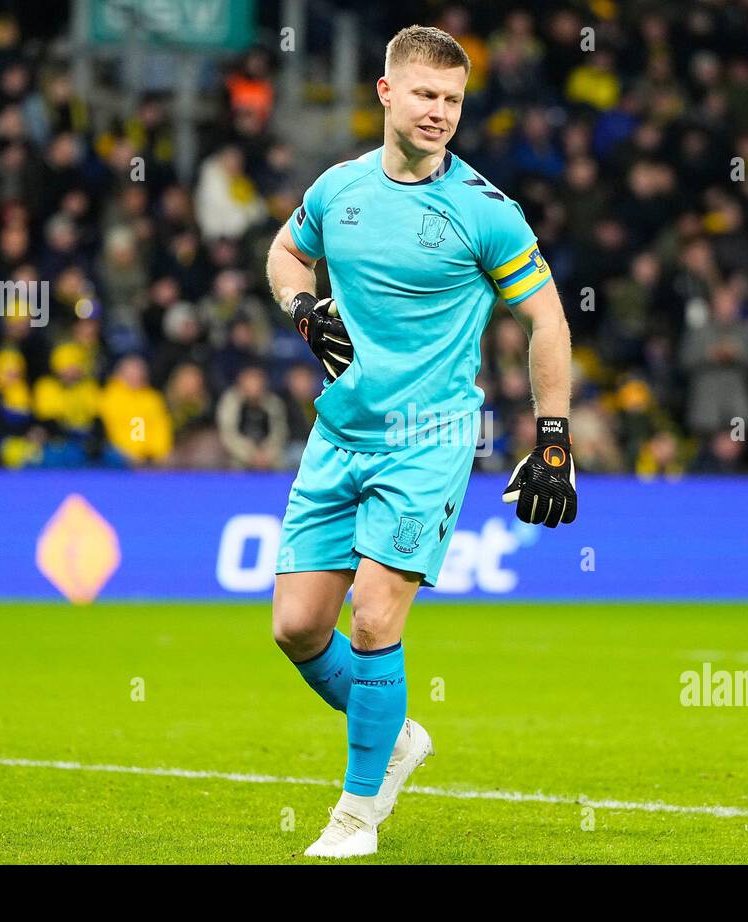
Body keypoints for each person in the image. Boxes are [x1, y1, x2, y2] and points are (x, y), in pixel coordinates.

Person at [263, 25, 576, 858]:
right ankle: (396, 735)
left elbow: (545, 315)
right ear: (386, 93)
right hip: (339, 434)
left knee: (372, 616)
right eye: (427, 95)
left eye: (454, 101)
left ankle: (357, 814)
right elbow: (285, 255)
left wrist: (553, 434)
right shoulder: (337, 190)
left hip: (429, 441)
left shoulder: (485, 212)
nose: (440, 113)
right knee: (296, 627)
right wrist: (303, 309)